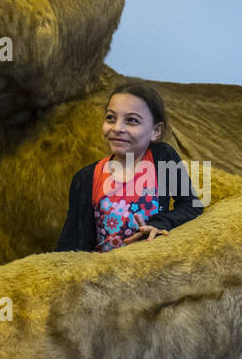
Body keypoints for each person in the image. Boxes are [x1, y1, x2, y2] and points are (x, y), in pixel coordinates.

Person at [56, 81, 203, 251]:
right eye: (110, 118)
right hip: (102, 271)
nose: (117, 128)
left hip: (149, 267)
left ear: (155, 131)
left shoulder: (162, 157)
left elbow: (192, 206)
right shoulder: (85, 177)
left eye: (132, 120)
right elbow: (70, 240)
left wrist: (159, 223)